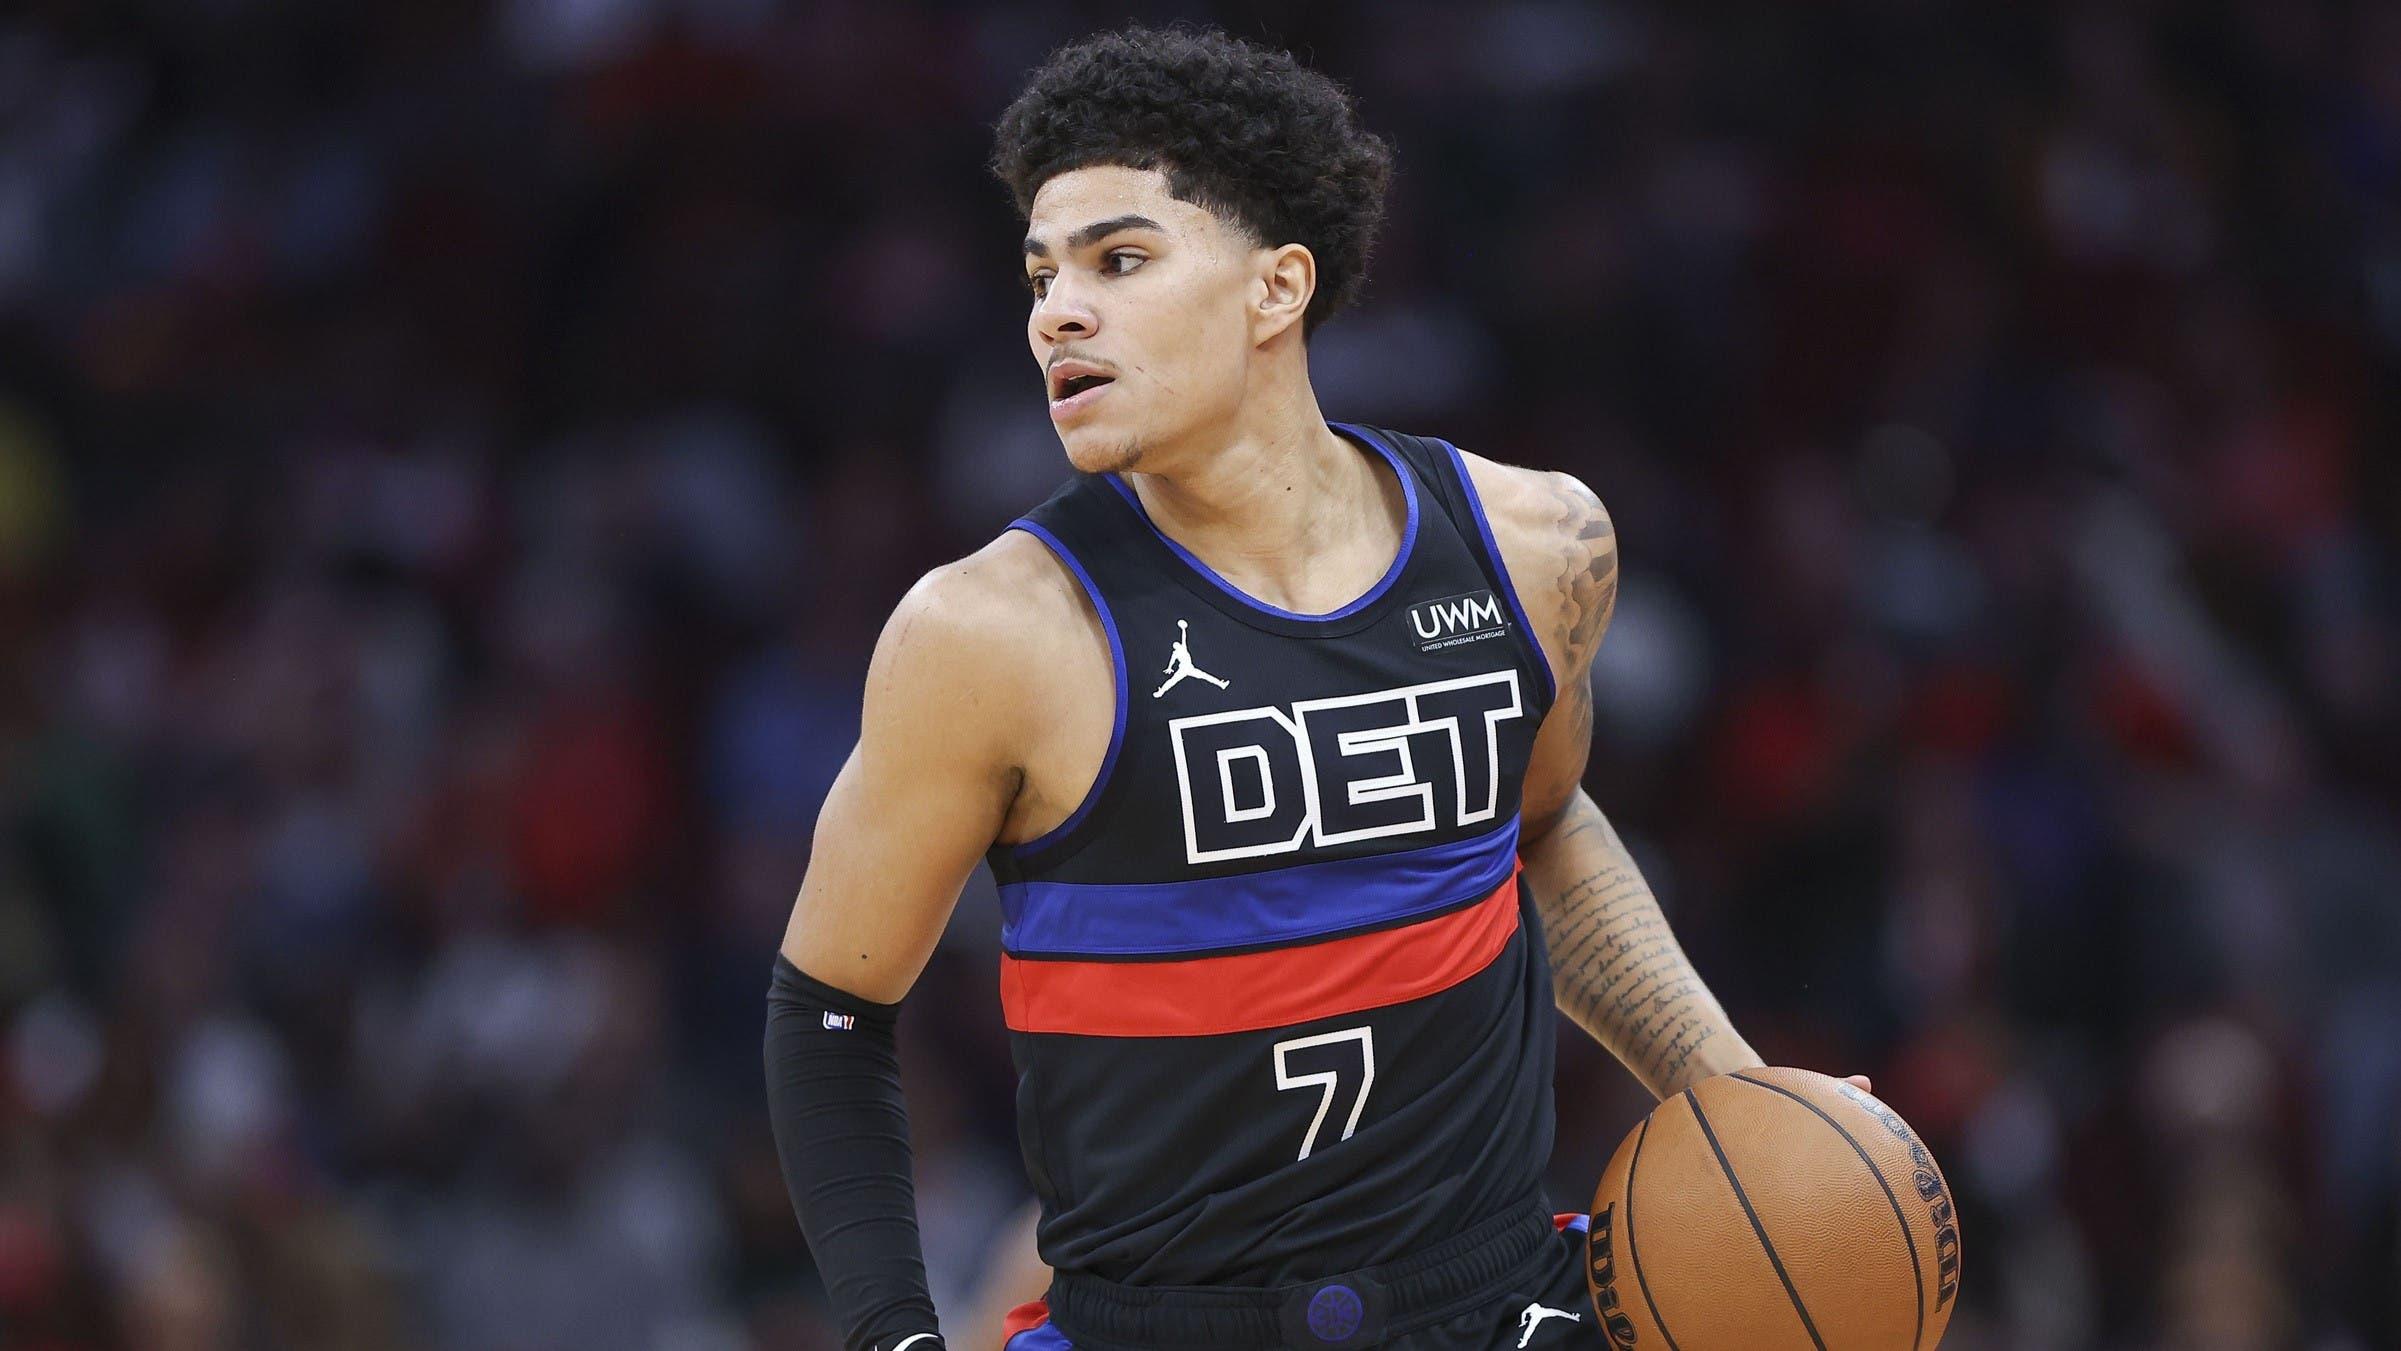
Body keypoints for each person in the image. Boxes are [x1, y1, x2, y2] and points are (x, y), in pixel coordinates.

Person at [765, 25, 1862, 1351]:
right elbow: (830, 1008)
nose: (1057, 308)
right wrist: (893, 1336)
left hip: (1497, 1304)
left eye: (1119, 260)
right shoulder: (988, 630)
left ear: (1274, 290)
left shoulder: (1531, 544)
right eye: (1041, 272)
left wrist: (1732, 1092)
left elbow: (1542, 830)